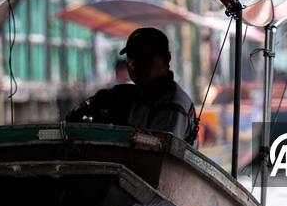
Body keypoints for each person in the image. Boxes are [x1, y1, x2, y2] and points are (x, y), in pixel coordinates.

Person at [65, 28, 198, 147]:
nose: (135, 62)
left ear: (165, 59)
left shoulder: (171, 104)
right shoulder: (134, 96)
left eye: (144, 55)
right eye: (131, 56)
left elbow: (156, 156)